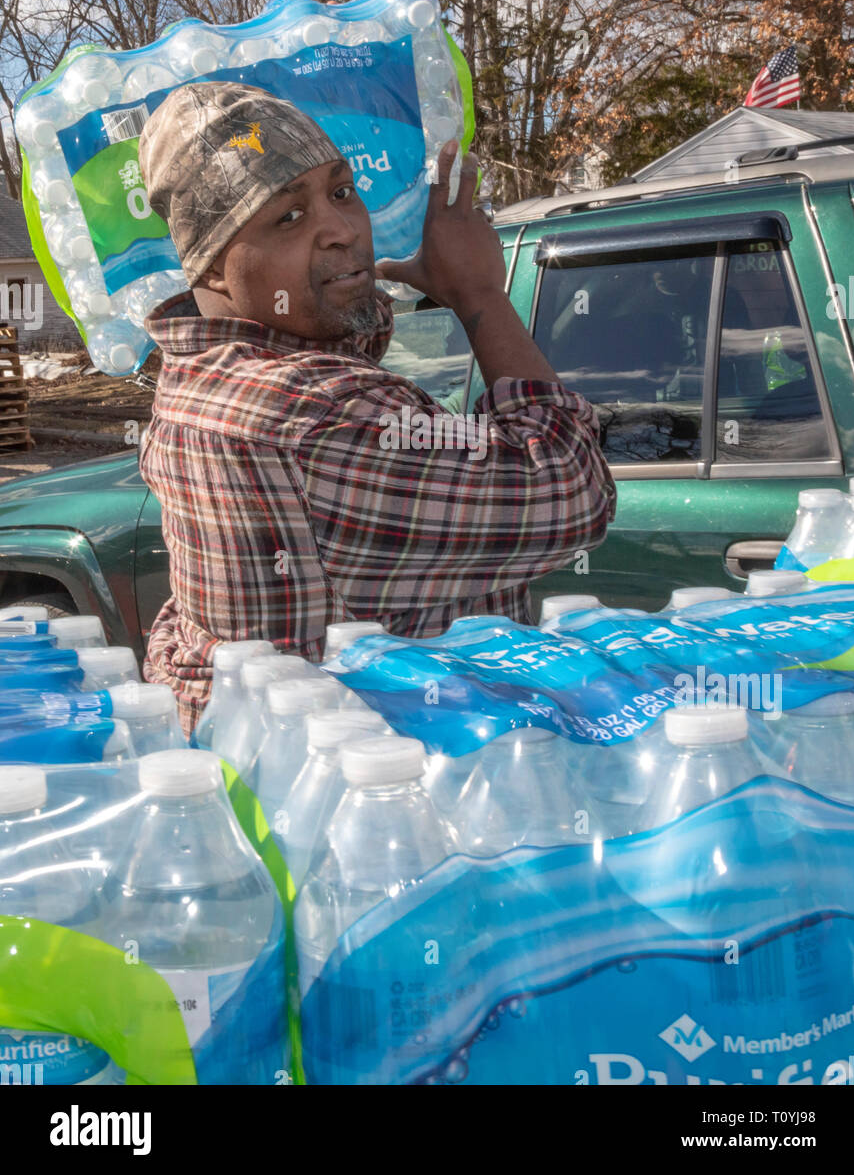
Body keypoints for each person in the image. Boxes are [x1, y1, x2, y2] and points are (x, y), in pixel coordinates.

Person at [136, 80, 616, 734]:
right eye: (287, 216)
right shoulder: (325, 417)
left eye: (340, 191)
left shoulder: (196, 376)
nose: (341, 229)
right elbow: (573, 488)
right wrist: (478, 295)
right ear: (213, 267)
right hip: (402, 794)